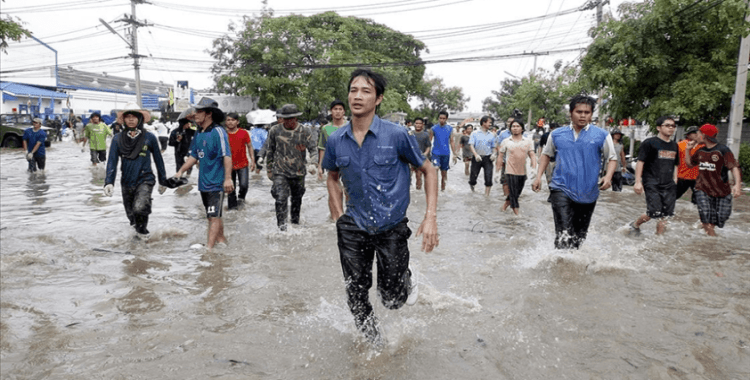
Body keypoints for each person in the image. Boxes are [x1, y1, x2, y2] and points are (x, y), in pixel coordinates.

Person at [321, 69, 438, 346]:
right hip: (353, 226)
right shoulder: (337, 139)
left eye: (366, 91)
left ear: (378, 99)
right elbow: (332, 176)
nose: (357, 96)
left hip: (391, 226)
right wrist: (339, 216)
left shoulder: (396, 135)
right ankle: (376, 346)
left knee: (393, 299)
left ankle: (406, 278)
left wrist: (430, 217)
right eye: (353, 90)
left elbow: (428, 170)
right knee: (356, 294)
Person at [531, 95, 616, 249]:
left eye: (587, 112)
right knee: (563, 232)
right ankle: (560, 266)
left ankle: (573, 268)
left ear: (591, 114)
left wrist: (608, 176)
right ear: (571, 113)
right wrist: (538, 177)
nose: (583, 116)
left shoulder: (602, 135)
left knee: (579, 237)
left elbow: (612, 158)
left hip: (588, 191)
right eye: (579, 112)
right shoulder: (557, 134)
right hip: (560, 187)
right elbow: (546, 154)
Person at [174, 98, 234, 248]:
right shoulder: (199, 134)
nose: (195, 114)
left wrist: (228, 179)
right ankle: (221, 241)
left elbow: (226, 155)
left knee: (213, 216)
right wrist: (180, 171)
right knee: (212, 216)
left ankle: (209, 249)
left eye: (199, 111)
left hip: (216, 182)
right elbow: (194, 156)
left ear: (209, 114)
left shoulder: (218, 131)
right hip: (204, 183)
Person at [104, 104, 170, 238]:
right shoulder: (117, 139)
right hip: (127, 181)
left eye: (134, 116)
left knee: (140, 207)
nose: (131, 119)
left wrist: (163, 180)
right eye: (128, 116)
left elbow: (158, 160)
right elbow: (112, 161)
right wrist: (108, 182)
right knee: (132, 216)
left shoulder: (149, 137)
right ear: (124, 120)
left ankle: (144, 236)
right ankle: (138, 242)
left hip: (145, 179)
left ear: (140, 119)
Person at [264, 103, 318, 230]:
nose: (288, 121)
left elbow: (313, 149)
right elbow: (270, 150)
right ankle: (281, 228)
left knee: (296, 199)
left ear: (296, 118)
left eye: (291, 118)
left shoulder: (305, 131)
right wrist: (269, 169)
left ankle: (295, 224)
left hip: (298, 172)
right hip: (280, 171)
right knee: (281, 198)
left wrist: (313, 163)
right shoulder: (274, 130)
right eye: (285, 118)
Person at [684, 124, 742, 236]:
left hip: (721, 190)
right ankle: (712, 239)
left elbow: (734, 167)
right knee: (706, 215)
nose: (696, 136)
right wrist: (688, 150)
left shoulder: (722, 150)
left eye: (699, 133)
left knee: (721, 218)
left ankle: (707, 228)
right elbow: (690, 164)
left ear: (705, 136)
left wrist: (737, 185)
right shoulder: (700, 151)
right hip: (702, 188)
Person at [628, 116, 679, 236]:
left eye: (673, 126)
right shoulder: (649, 143)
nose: (671, 128)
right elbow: (641, 162)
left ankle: (658, 238)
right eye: (667, 125)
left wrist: (675, 179)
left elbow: (676, 164)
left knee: (666, 214)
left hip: (669, 184)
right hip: (652, 182)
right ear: (658, 128)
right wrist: (638, 182)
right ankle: (635, 224)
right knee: (654, 211)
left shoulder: (674, 145)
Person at [497, 119, 537, 213]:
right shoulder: (506, 141)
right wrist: (497, 171)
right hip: (510, 171)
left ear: (522, 129)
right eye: (513, 126)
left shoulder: (527, 141)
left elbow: (532, 155)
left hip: (522, 172)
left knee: (516, 193)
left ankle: (503, 208)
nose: (515, 128)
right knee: (514, 195)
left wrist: (534, 168)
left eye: (517, 126)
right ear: (510, 129)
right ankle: (517, 217)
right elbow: (500, 156)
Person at [225, 112, 255, 210]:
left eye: (232, 120)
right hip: (228, 166)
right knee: (230, 189)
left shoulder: (244, 133)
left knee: (244, 185)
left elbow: (250, 146)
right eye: (228, 120)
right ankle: (232, 211)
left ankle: (241, 199)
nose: (230, 122)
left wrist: (253, 160)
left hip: (242, 164)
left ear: (237, 122)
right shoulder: (223, 134)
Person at [317, 99, 348, 180]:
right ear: (331, 111)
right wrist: (320, 166)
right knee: (334, 187)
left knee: (348, 190)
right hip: (332, 163)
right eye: (335, 109)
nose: (338, 111)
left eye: (340, 109)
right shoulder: (325, 128)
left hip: (349, 163)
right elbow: (322, 148)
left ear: (344, 112)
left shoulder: (351, 126)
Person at [429, 110, 458, 191]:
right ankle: (435, 189)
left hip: (446, 153)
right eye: (440, 118)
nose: (441, 120)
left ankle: (443, 189)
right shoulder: (433, 128)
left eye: (443, 118)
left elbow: (452, 141)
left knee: (444, 173)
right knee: (435, 169)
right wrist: (427, 153)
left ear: (446, 119)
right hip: (435, 153)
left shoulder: (450, 129)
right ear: (438, 118)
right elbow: (429, 141)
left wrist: (455, 154)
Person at [468, 116, 497, 196]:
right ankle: (472, 190)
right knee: (473, 178)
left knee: (488, 177)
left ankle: (486, 196)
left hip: (488, 158)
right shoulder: (474, 133)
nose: (491, 124)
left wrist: (494, 154)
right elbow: (471, 145)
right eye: (489, 122)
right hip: (477, 158)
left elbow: (494, 147)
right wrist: (476, 155)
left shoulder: (492, 135)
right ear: (483, 122)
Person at [676, 126, 703, 204]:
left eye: (697, 133)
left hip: (698, 178)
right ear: (688, 135)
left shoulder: (703, 145)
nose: (696, 135)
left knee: (698, 201)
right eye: (694, 133)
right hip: (682, 176)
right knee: (672, 196)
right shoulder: (680, 144)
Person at [168, 108, 196, 176]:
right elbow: (170, 143)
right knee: (179, 167)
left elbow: (197, 136)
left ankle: (188, 178)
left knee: (189, 166)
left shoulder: (191, 131)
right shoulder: (175, 131)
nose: (189, 124)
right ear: (183, 123)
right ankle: (179, 179)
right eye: (187, 123)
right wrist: (177, 140)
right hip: (179, 152)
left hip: (188, 152)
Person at [411, 117, 432, 190]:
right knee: (407, 177)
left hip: (421, 159)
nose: (418, 125)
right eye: (417, 123)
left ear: (423, 124)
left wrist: (425, 153)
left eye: (420, 123)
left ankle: (418, 190)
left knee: (418, 176)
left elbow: (428, 146)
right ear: (414, 124)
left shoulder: (425, 135)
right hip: (411, 158)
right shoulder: (410, 134)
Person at [538, 122, 559, 186]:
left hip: (554, 159)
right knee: (549, 176)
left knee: (552, 176)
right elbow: (540, 146)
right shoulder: (545, 136)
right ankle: (551, 187)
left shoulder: (560, 136)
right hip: (550, 159)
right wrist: (540, 157)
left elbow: (540, 146)